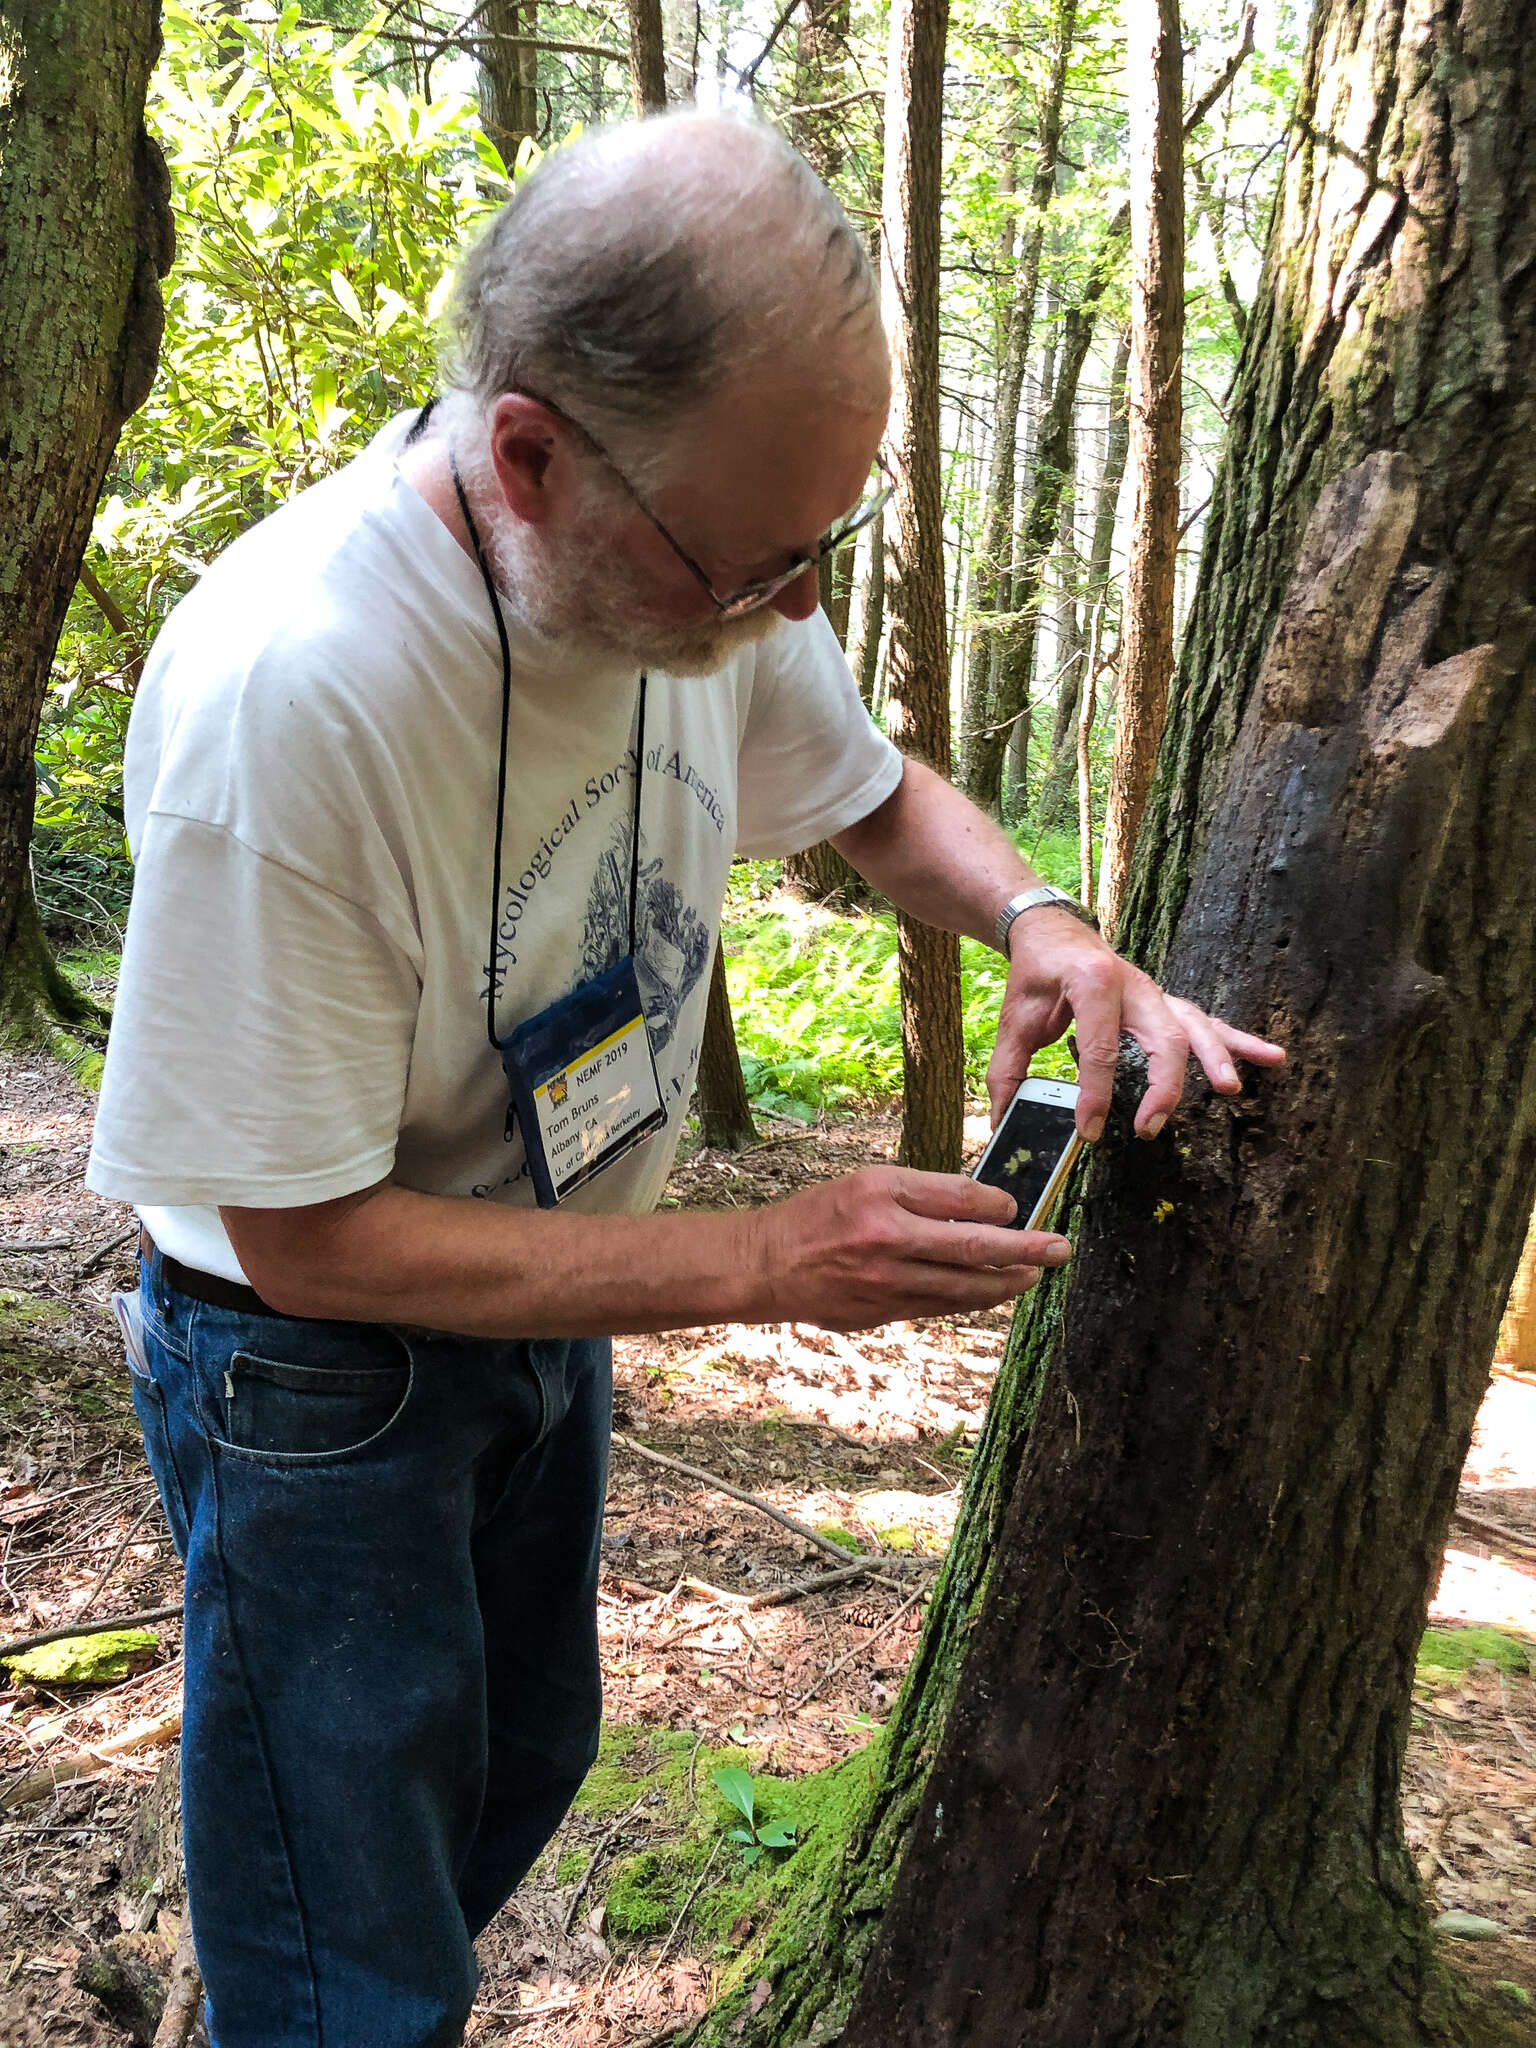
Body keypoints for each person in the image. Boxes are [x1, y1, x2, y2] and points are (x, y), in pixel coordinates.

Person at [86, 110, 1283, 2048]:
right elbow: (297, 1239)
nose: (796, 608)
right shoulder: (291, 701)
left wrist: (1045, 917)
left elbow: (877, 800)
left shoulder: (694, 555)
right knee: (354, 1928)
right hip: (312, 1372)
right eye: (758, 561)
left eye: (829, 542)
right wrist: (759, 1259)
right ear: (533, 454)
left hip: (550, 1296)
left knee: (525, 1747)